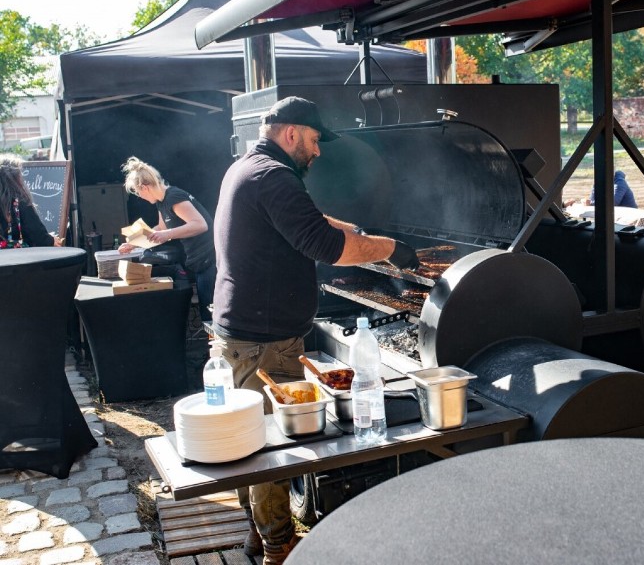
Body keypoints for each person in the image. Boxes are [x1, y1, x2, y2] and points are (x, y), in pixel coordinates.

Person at [212, 96, 420, 565]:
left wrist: (364, 233)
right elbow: (326, 246)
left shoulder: (249, 168)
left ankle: (257, 537)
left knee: (254, 437)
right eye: (313, 140)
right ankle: (279, 547)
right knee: (269, 447)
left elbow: (312, 221)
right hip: (263, 342)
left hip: (245, 332)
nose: (318, 151)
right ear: (290, 134)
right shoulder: (273, 176)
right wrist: (391, 249)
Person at [117, 157, 216, 320]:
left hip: (210, 259)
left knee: (210, 312)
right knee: (207, 311)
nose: (139, 197)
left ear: (144, 187)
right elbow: (161, 229)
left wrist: (167, 234)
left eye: (137, 192)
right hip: (198, 261)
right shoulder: (161, 202)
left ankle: (215, 345)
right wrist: (133, 243)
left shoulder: (173, 197)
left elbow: (200, 225)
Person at [0, 154, 61, 248]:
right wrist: (51, 240)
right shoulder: (20, 203)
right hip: (19, 259)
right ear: (14, 179)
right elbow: (38, 235)